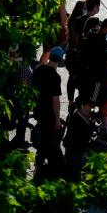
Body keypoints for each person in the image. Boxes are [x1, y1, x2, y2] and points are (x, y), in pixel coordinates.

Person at [80, 17, 107, 141]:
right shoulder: (100, 41)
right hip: (98, 80)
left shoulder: (94, 37)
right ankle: (80, 121)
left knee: (104, 104)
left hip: (102, 79)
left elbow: (101, 48)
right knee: (92, 102)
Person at [31, 46, 65, 178]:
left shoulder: (38, 69)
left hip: (38, 109)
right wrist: (57, 119)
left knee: (42, 134)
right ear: (60, 60)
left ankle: (41, 162)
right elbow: (55, 101)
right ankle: (40, 166)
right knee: (47, 139)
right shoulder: (55, 77)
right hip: (48, 112)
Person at [62, 97, 96, 180]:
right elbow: (84, 136)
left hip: (76, 151)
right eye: (89, 106)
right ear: (82, 106)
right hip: (74, 153)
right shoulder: (77, 119)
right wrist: (92, 125)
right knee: (73, 175)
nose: (91, 109)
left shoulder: (79, 116)